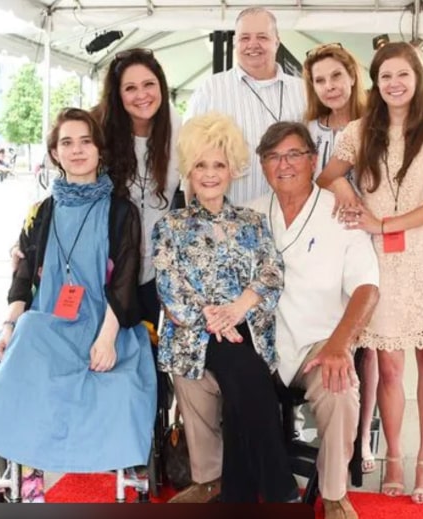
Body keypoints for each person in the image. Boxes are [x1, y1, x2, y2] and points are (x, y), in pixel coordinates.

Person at [0, 108, 156, 503]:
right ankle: (24, 478)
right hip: (46, 325)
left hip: (102, 326)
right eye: (66, 143)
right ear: (54, 153)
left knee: (31, 330)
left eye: (86, 141)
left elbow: (124, 285)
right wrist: (6, 328)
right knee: (23, 333)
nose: (77, 150)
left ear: (100, 149)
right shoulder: (41, 211)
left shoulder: (123, 212)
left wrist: (107, 340)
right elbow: (22, 279)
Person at [168, 120, 380, 519]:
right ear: (261, 166)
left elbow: (368, 288)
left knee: (340, 387)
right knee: (189, 371)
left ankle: (334, 494)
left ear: (313, 160)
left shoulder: (341, 213)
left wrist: (340, 345)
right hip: (257, 343)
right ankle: (210, 477)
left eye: (293, 154)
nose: (283, 165)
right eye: (272, 157)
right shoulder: (249, 214)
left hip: (318, 342)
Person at [317, 41, 423, 504]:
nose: (395, 84)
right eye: (385, 77)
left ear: (417, 79)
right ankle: (394, 456)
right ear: (375, 84)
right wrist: (349, 194)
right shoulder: (359, 132)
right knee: (391, 364)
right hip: (380, 257)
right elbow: (325, 176)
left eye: (403, 75)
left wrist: (383, 222)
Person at [152, 112, 298, 504]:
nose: (211, 174)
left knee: (244, 372)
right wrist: (214, 319)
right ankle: (280, 490)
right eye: (201, 165)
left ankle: (238, 491)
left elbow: (272, 271)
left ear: (232, 169)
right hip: (194, 337)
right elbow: (170, 288)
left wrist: (238, 307)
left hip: (246, 328)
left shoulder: (252, 222)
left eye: (218, 164)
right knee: (247, 371)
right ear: (189, 170)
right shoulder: (171, 226)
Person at [302, 41, 379, 474]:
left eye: (336, 76)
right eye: (320, 80)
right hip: (319, 244)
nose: (330, 86)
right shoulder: (309, 130)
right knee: (322, 333)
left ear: (352, 76)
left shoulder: (376, 125)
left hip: (367, 238)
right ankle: (320, 429)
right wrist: (339, 187)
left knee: (363, 343)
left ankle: (362, 439)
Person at [90, 48, 181, 328]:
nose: (142, 95)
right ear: (117, 94)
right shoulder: (97, 129)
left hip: (158, 272)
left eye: (149, 84)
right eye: (130, 88)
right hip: (107, 267)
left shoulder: (178, 129)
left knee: (151, 355)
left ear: (161, 86)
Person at [184, 7, 305, 204]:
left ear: (277, 41)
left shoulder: (303, 92)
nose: (253, 44)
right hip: (229, 224)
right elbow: (189, 162)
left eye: (262, 37)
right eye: (245, 38)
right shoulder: (210, 90)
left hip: (290, 220)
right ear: (234, 42)